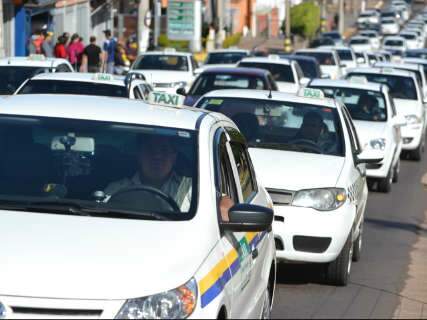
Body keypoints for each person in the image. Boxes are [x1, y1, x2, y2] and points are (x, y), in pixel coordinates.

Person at [104, 135, 192, 212]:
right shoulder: (116, 190)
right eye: (150, 149)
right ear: (139, 155)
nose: (157, 156)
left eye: (164, 150)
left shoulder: (189, 190)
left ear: (174, 157)